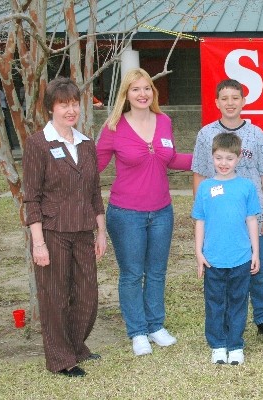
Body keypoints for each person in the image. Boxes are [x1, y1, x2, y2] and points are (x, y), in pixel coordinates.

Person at [96, 68, 193, 356]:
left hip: (162, 211)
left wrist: (206, 157)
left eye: (147, 88)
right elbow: (93, 168)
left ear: (153, 92)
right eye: (136, 89)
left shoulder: (164, 121)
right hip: (126, 214)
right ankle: (137, 331)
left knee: (157, 272)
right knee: (131, 274)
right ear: (126, 94)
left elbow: (171, 158)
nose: (142, 94)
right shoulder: (113, 127)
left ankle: (155, 326)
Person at [22, 77, 107, 377]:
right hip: (53, 232)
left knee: (87, 296)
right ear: (50, 109)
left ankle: (75, 345)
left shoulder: (86, 144)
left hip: (84, 231)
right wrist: (38, 242)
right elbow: (30, 197)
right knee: (55, 297)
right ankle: (61, 359)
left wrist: (101, 231)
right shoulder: (37, 144)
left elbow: (95, 191)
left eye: (74, 104)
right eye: (63, 105)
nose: (70, 110)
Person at [192, 78, 263, 345]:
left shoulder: (256, 135)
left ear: (244, 101)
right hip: (220, 219)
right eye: (225, 98)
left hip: (251, 217)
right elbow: (199, 174)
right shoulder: (206, 134)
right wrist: (204, 215)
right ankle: (223, 322)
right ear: (216, 103)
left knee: (259, 269)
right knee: (221, 270)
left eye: (236, 97)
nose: (230, 103)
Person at [192, 132, 260, 365]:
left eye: (229, 158)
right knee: (215, 302)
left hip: (241, 257)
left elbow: (252, 220)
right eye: (219, 158)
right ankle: (218, 344)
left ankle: (235, 344)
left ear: (239, 158)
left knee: (238, 301)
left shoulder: (246, 187)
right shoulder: (205, 187)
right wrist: (199, 253)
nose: (223, 163)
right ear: (212, 157)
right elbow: (200, 220)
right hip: (213, 259)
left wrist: (255, 253)